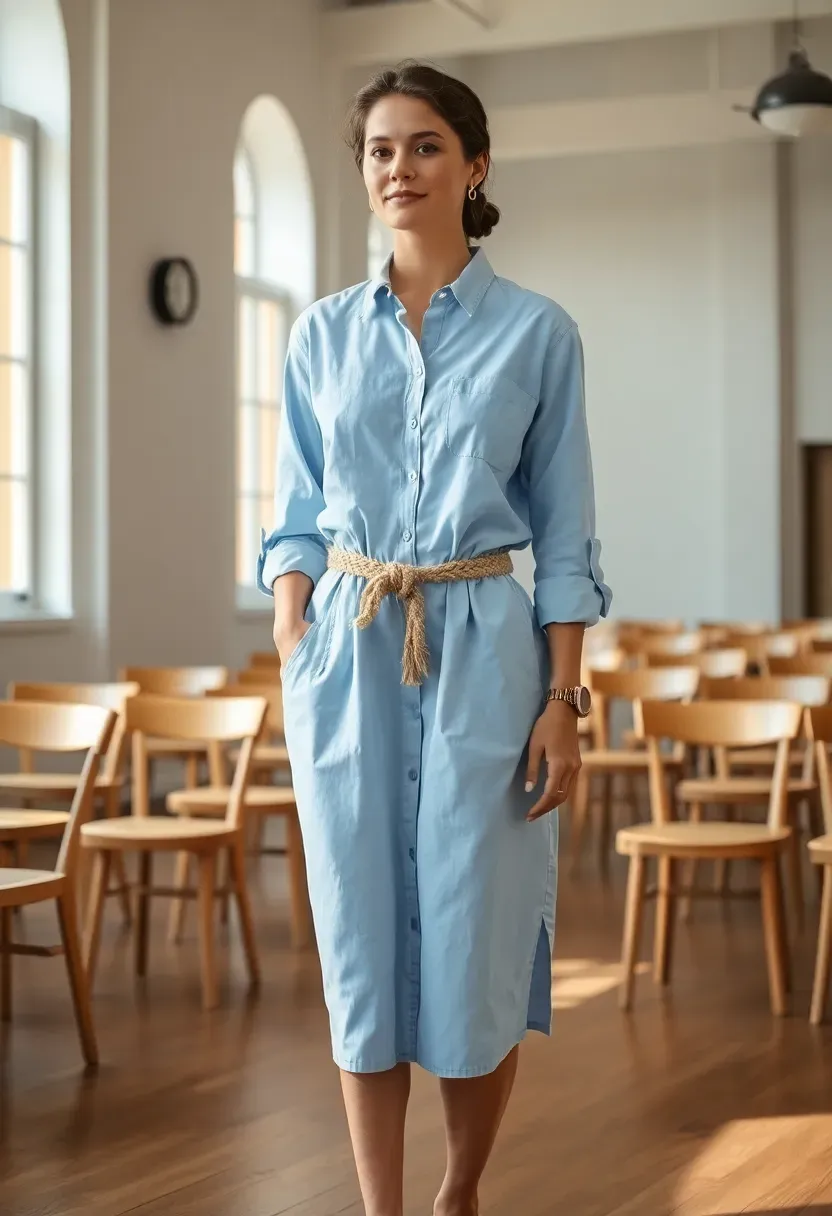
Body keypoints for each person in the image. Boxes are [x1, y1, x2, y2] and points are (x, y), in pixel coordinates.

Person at [257, 59, 611, 1216]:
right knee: (360, 950)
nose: (398, 168)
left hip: (486, 657)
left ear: (474, 165)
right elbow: (292, 513)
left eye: (423, 146)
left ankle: (457, 1194)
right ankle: (382, 1209)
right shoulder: (319, 336)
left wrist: (563, 701)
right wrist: (295, 618)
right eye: (379, 149)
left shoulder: (539, 334)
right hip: (349, 650)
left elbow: (567, 540)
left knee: (474, 943)